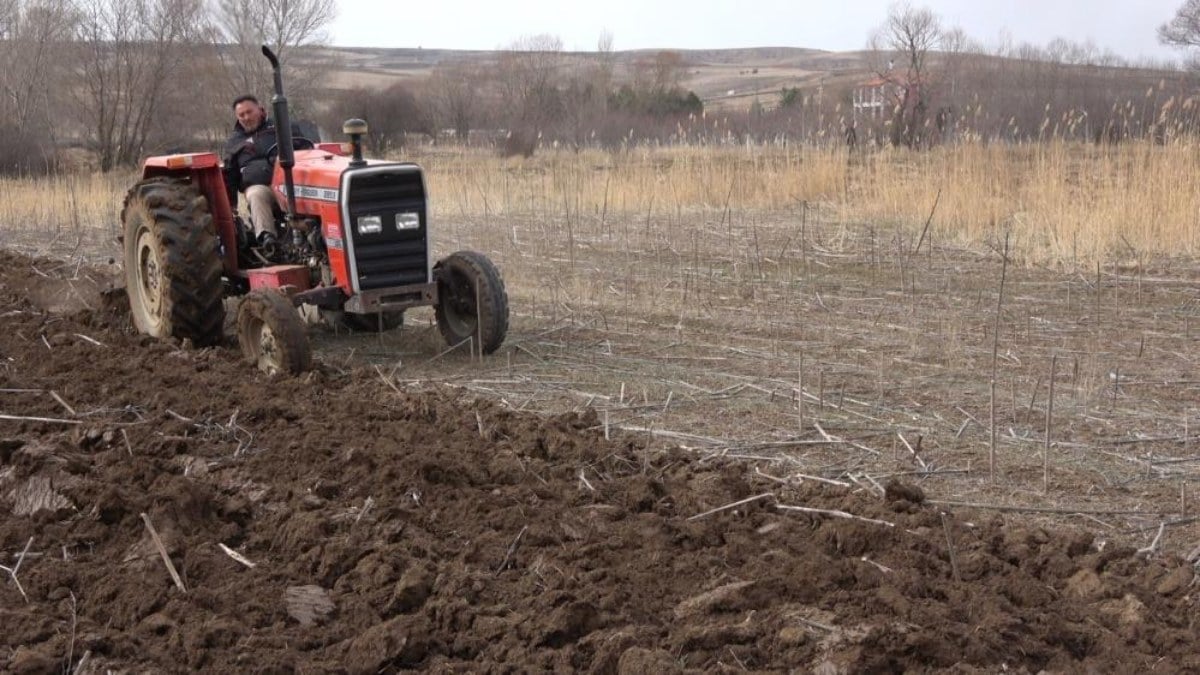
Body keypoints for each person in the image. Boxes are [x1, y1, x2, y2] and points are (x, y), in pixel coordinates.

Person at [222, 95, 284, 246]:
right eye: (241, 115)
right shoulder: (234, 142)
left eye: (249, 112)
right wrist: (231, 206)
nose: (246, 117)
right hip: (262, 188)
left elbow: (305, 150)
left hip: (289, 183)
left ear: (260, 109)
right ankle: (268, 239)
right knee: (256, 194)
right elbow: (230, 174)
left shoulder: (281, 127)